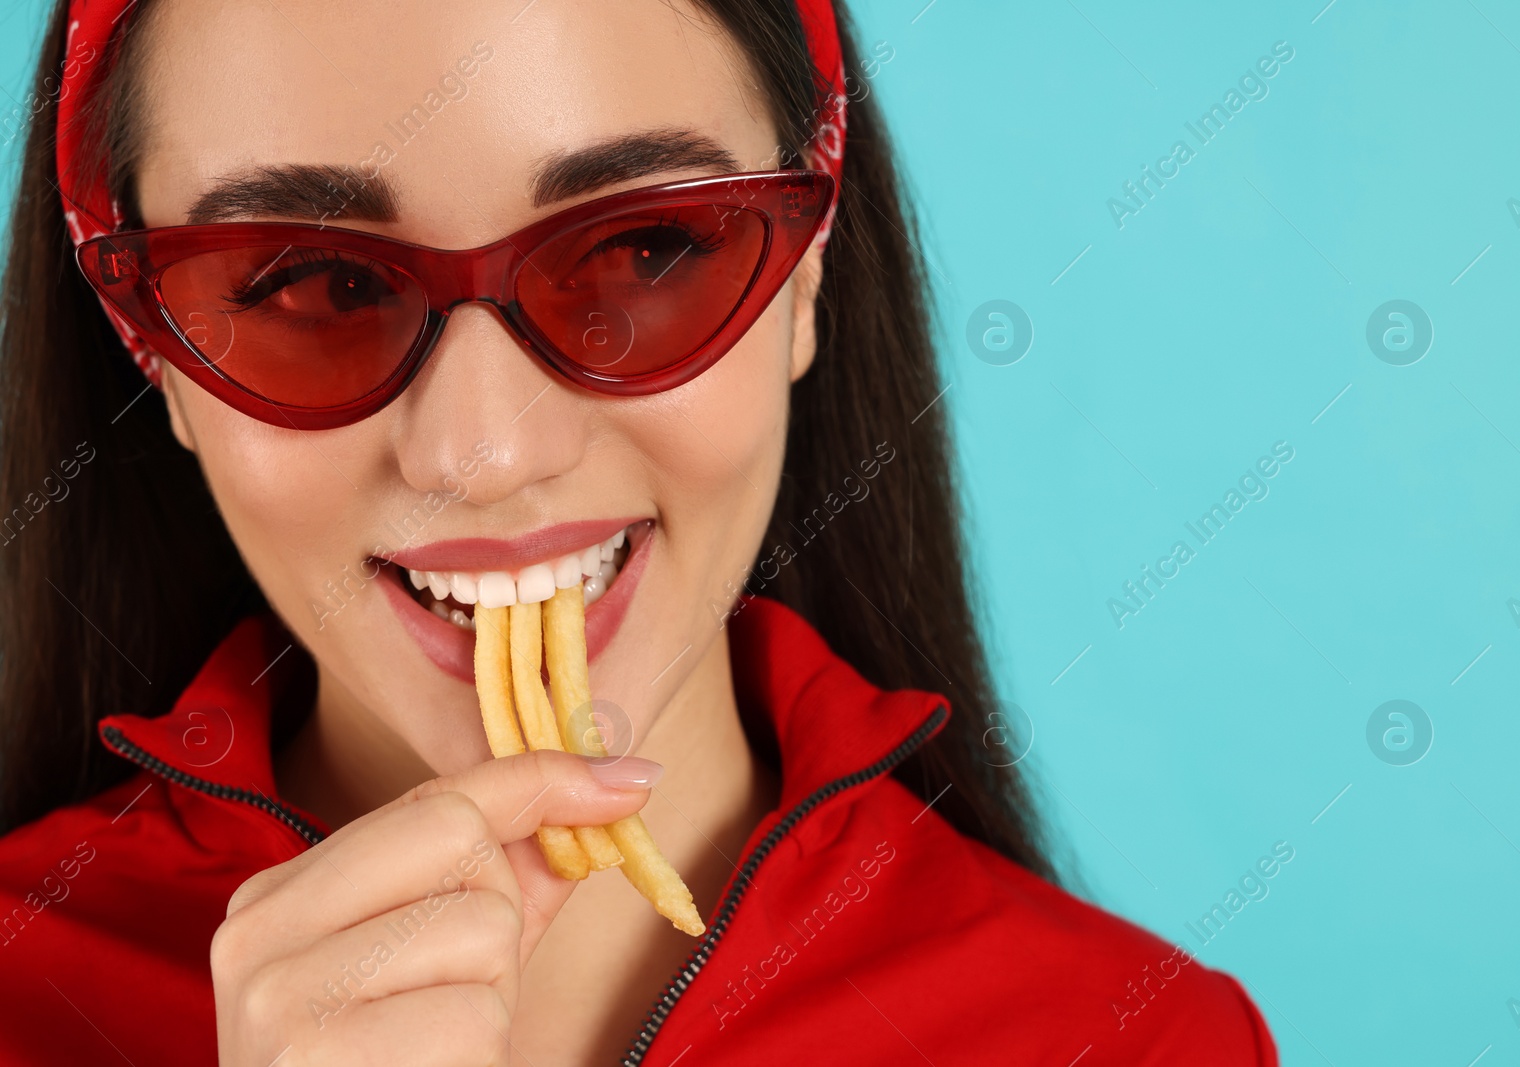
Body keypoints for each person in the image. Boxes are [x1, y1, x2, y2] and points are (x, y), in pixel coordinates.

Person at [0, 0, 1280, 1063]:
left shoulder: (1130, 1036)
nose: (485, 455)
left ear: (806, 278)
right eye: (313, 282)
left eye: (643, 249)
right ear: (152, 352)